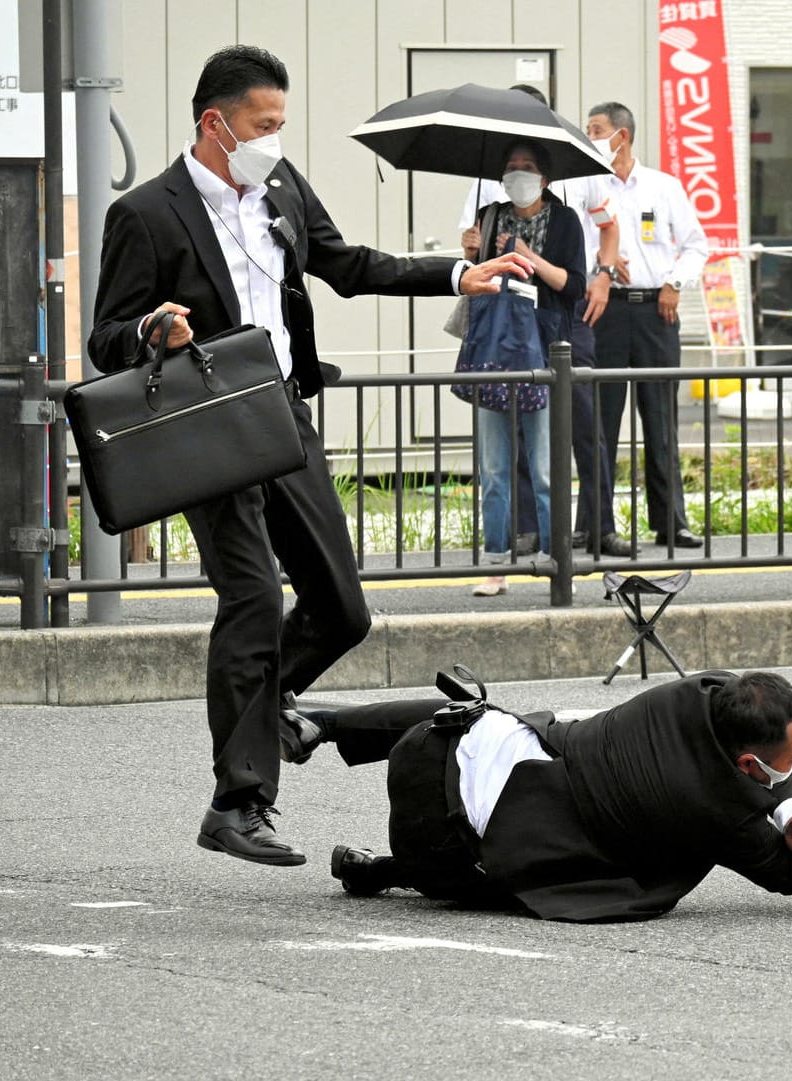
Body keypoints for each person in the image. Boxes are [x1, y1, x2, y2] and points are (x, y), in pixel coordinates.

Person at [86, 46, 534, 867]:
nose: (274, 141)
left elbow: (347, 266)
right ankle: (239, 801)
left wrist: (456, 274)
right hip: (206, 424)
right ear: (214, 124)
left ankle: (268, 705)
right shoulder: (148, 214)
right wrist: (155, 329)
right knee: (253, 598)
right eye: (263, 126)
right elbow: (105, 338)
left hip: (282, 415)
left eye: (281, 126)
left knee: (342, 607)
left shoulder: (283, 190)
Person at [284, 671, 792, 922]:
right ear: (746, 763)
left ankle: (329, 724)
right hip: (452, 848)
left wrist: (789, 803)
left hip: (437, 751)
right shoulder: (718, 811)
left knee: (484, 716)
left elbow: (752, 750)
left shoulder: (690, 695)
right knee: (537, 866)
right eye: (791, 760)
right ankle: (389, 870)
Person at [459, 139, 621, 596]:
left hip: (545, 350)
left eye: (527, 168)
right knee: (493, 466)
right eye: (511, 168)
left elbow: (571, 286)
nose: (518, 176)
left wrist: (529, 255)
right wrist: (471, 252)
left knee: (546, 465)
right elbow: (475, 280)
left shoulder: (566, 219)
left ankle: (557, 560)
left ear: (545, 178)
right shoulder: (489, 215)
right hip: (495, 350)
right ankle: (495, 563)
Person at [581, 101, 711, 551]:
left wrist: (675, 282)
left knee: (660, 419)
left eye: (596, 129)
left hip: (657, 309)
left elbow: (696, 245)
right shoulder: (583, 186)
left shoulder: (663, 186)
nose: (590, 136)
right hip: (603, 311)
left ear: (623, 134)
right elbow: (574, 245)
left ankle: (671, 521)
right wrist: (597, 267)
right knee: (600, 422)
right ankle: (597, 525)